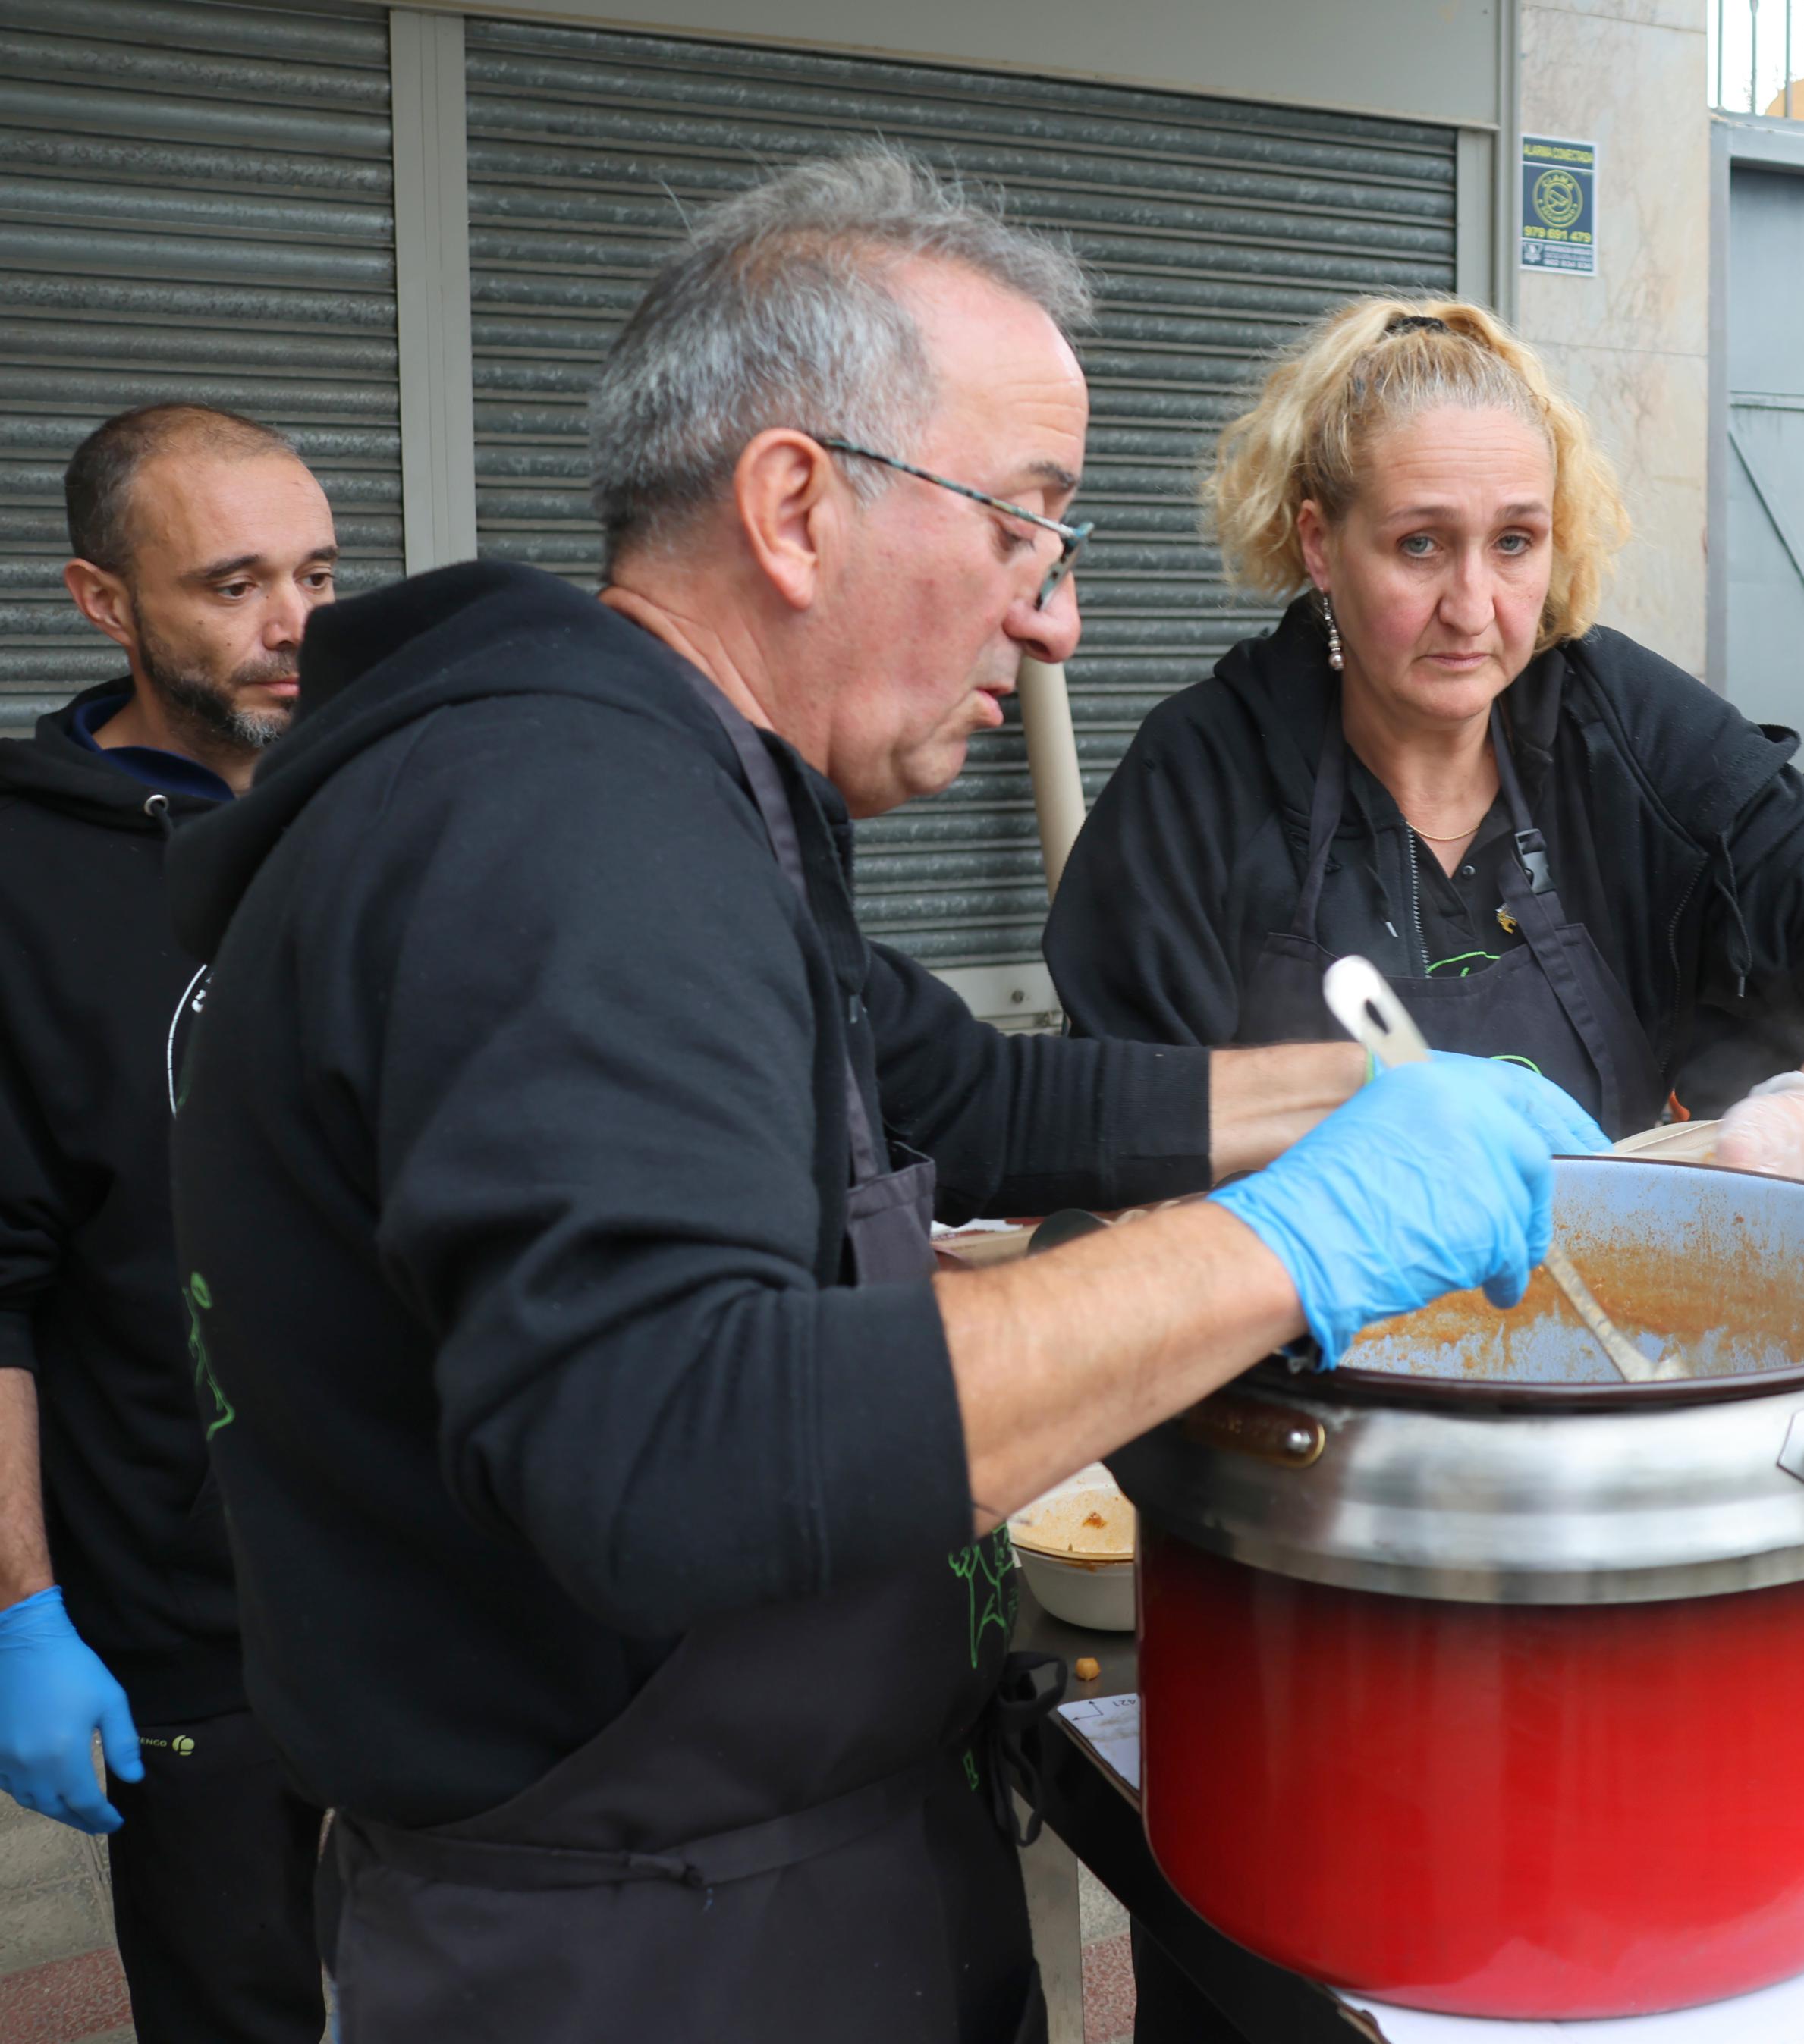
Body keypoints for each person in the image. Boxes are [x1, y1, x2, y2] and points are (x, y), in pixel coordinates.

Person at [161, 149, 1598, 2043]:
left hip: (776, 1863)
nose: (1052, 617)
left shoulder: (692, 792)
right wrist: (1302, 1237)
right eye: (1024, 526)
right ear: (794, 507)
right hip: (642, 1951)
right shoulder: (563, 836)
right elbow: (664, 1445)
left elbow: (972, 1093)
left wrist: (1386, 1085)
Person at [1042, 298, 1804, 1184]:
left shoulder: (1614, 721)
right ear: (1321, 545)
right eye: (1419, 544)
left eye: (1514, 542)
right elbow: (1122, 1131)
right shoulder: (1201, 774)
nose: (1473, 608)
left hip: (1600, 1292)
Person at [0, 405, 334, 2041]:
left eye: (321, 573)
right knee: (241, 2006)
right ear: (103, 600)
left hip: (431, 1572)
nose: (295, 624)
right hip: (180, 1613)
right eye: (235, 582)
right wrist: (22, 1612)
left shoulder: (372, 805)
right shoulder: (19, 873)